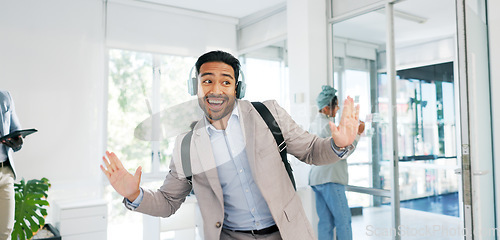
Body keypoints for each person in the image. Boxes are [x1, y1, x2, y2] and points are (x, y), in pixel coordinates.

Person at [101, 51, 360, 240]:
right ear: (196, 87)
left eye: (226, 81)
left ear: (238, 87)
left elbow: (313, 150)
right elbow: (169, 201)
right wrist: (135, 195)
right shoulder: (187, 144)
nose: (216, 89)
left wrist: (338, 144)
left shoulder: (268, 114)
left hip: (286, 233)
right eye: (207, 81)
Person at [308, 85, 365, 240]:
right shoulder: (328, 127)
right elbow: (342, 152)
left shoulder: (314, 124)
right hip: (330, 179)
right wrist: (358, 134)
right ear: (326, 109)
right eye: (336, 105)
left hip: (316, 179)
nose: (339, 108)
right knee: (343, 221)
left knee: (325, 222)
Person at [0, 91, 23, 240]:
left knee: (6, 232)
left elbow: (16, 132)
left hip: (5, 171)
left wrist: (17, 142)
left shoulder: (5, 97)